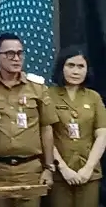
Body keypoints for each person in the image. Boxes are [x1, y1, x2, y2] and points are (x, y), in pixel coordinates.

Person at [0, 33, 59, 207]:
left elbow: (46, 128)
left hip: (30, 170)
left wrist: (49, 168)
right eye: (10, 54)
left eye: (20, 53)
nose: (16, 58)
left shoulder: (37, 87)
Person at [48, 46, 106, 207]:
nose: (75, 71)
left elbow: (102, 135)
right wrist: (64, 169)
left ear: (87, 70)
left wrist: (88, 168)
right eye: (70, 65)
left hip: (89, 173)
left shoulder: (93, 97)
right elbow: (45, 135)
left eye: (81, 66)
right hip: (59, 174)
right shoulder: (48, 95)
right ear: (61, 67)